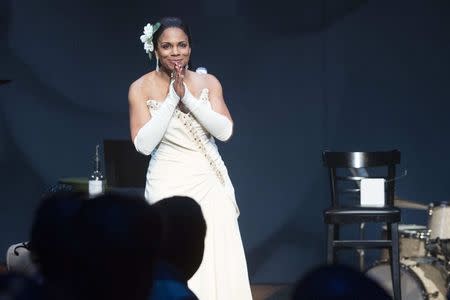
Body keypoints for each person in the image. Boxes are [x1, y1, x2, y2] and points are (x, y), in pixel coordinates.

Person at [128, 17, 252, 300]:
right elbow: (144, 145)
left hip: (209, 181)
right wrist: (172, 98)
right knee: (171, 251)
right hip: (168, 181)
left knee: (217, 252)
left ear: (190, 48)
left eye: (181, 45)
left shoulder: (208, 81)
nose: (175, 52)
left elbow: (225, 131)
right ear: (155, 50)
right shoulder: (140, 87)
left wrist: (190, 99)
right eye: (167, 46)